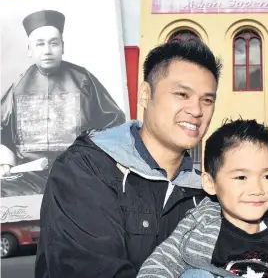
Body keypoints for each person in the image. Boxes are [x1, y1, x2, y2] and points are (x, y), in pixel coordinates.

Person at [34, 40, 223, 278]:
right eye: (182, 94)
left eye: (207, 100)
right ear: (145, 95)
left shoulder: (205, 197)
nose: (196, 110)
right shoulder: (86, 168)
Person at [138, 119, 268, 278]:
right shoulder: (200, 223)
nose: (257, 189)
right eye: (241, 177)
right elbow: (162, 263)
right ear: (211, 183)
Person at [1, 9, 126, 196]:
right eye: (40, 44)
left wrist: (89, 155)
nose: (47, 51)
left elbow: (114, 122)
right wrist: (5, 162)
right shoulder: (18, 86)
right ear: (30, 49)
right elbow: (2, 130)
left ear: (63, 46)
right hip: (29, 178)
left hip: (77, 173)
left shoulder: (82, 80)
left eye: (53, 43)